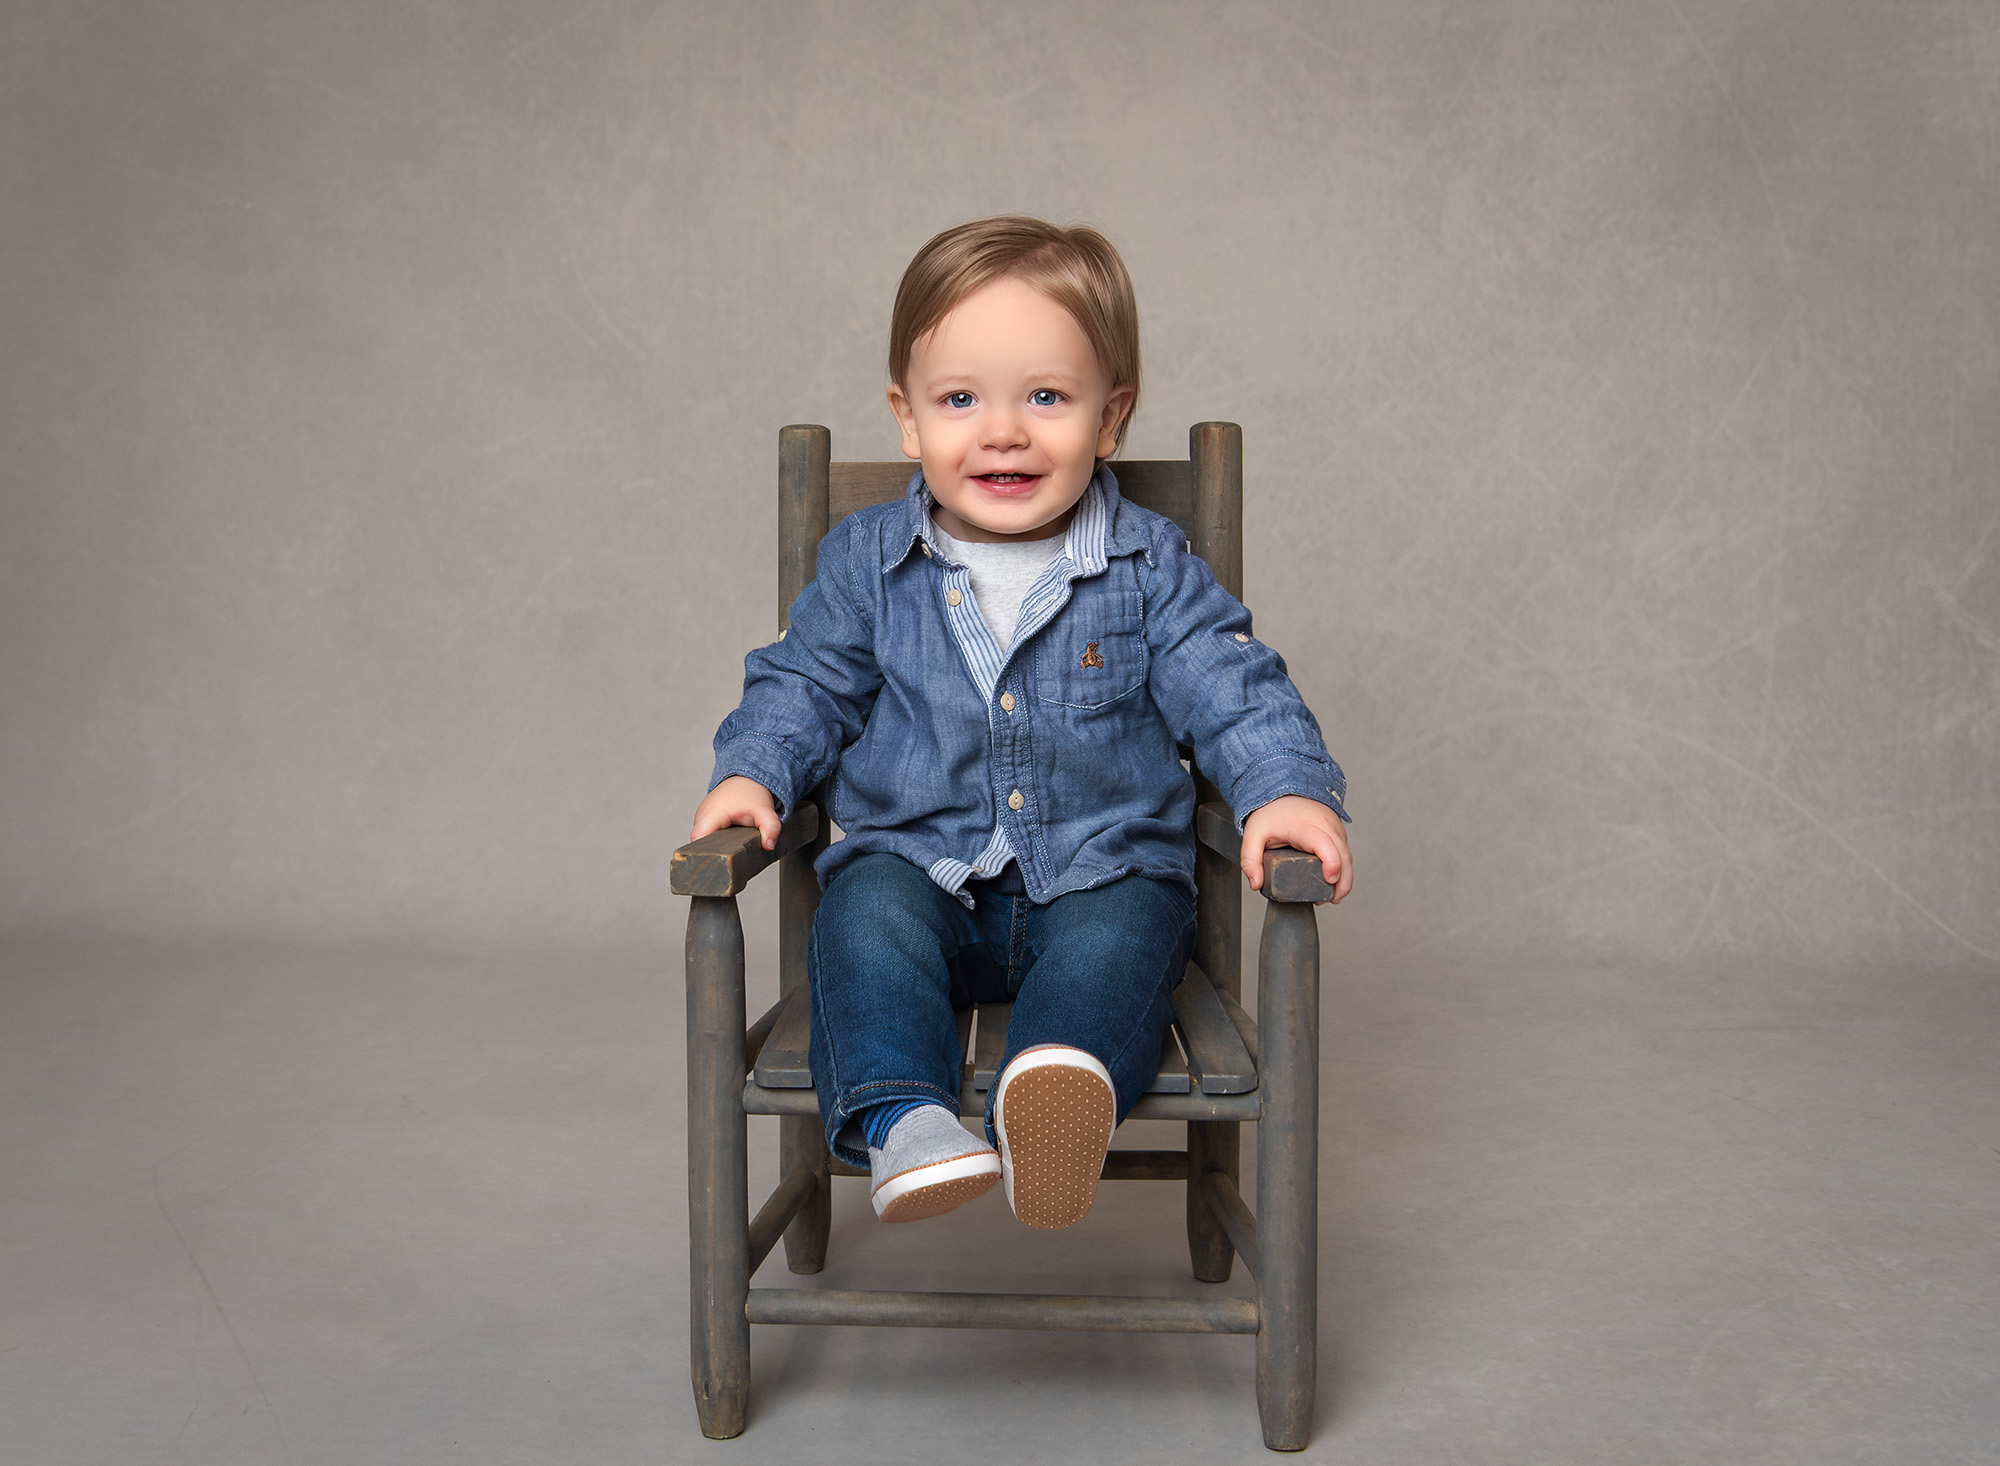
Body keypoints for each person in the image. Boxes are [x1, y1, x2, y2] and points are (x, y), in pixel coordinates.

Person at [690, 216, 1351, 1229]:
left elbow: (1232, 682)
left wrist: (1284, 786)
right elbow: (803, 682)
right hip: (916, 867)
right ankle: (906, 1124)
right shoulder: (868, 561)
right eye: (960, 400)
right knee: (861, 923)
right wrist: (754, 773)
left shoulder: (1148, 564)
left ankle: (1056, 1085)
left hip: (1100, 868)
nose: (1002, 431)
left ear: (1109, 416)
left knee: (1119, 942)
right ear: (906, 418)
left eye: (1045, 397)